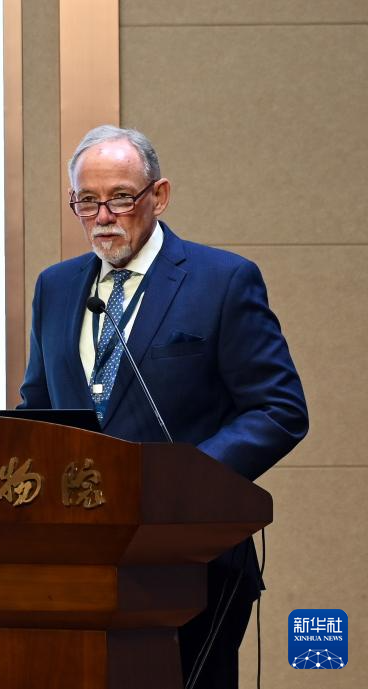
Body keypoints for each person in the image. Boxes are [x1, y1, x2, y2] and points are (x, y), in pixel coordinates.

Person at [17, 125, 309, 689]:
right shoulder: (56, 286)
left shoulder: (222, 280)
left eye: (121, 198)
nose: (104, 216)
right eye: (87, 201)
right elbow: (40, 407)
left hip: (190, 558)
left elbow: (278, 409)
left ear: (160, 195)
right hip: (79, 561)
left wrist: (185, 481)